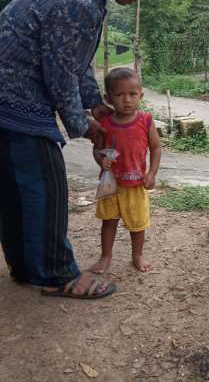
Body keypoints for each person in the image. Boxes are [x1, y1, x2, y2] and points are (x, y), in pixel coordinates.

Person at [0, 0, 169, 299]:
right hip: (7, 92)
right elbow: (59, 76)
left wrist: (94, 104)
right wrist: (85, 126)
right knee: (45, 186)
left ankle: (27, 266)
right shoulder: (79, 1)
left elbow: (77, 61)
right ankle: (57, 275)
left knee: (13, 185)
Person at [90, 68, 161, 273]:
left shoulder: (146, 121)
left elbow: (156, 148)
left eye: (132, 94)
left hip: (136, 185)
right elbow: (97, 148)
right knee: (109, 222)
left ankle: (137, 255)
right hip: (110, 185)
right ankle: (105, 257)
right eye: (120, 95)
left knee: (138, 225)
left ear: (141, 95)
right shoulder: (104, 124)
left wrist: (152, 173)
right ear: (108, 98)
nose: (127, 100)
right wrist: (100, 160)